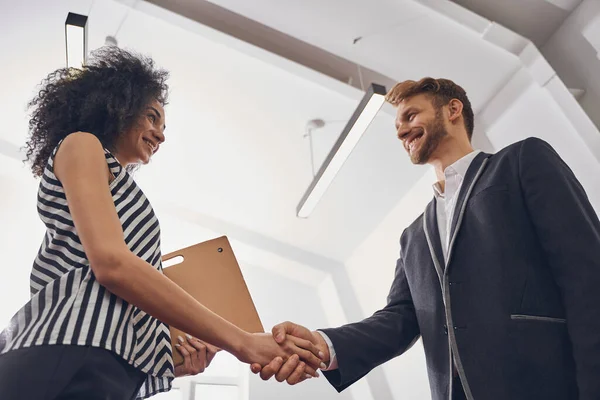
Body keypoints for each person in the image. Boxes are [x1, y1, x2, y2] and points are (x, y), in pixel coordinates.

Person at [0, 47, 322, 400]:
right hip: (67, 345)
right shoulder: (82, 145)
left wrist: (172, 360)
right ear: (118, 106)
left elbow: (121, 297)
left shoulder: (121, 185)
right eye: (152, 117)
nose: (161, 134)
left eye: (164, 126)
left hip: (112, 370)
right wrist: (242, 342)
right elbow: (112, 265)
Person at [251, 77, 600, 400]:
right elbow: (398, 321)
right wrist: (320, 344)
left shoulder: (522, 162)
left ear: (452, 109)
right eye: (397, 125)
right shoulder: (414, 236)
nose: (401, 130)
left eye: (410, 115)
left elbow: (586, 274)